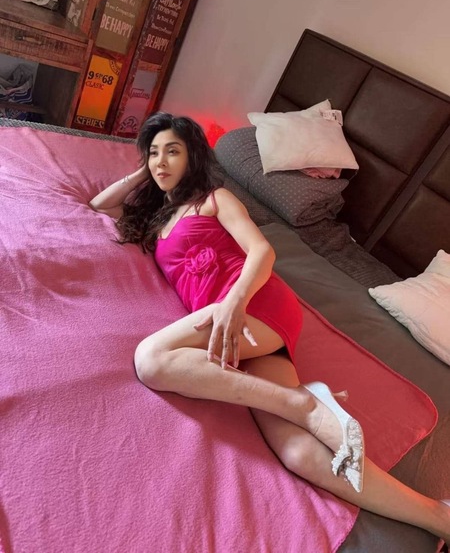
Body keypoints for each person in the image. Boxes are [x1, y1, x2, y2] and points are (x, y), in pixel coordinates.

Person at [89, 111, 449, 546]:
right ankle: (437, 516)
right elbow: (101, 205)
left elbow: (261, 252)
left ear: (193, 158)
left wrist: (233, 303)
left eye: (172, 152)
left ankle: (305, 404)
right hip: (235, 333)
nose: (161, 161)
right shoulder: (158, 219)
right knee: (298, 453)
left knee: (152, 360)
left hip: (253, 307)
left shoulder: (216, 199)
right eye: (154, 153)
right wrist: (145, 171)